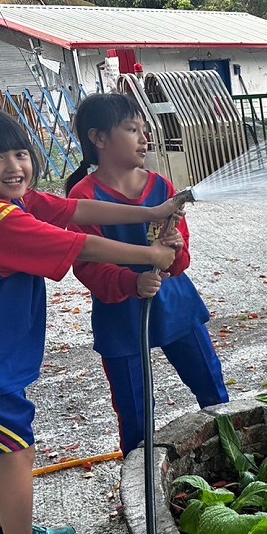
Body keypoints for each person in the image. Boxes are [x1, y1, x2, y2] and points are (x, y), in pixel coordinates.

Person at [0, 107, 188, 534]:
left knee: (2, 451)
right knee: (17, 451)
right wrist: (150, 254)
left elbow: (77, 211)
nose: (13, 166)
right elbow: (80, 244)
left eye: (20, 153)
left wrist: (152, 212)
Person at [65, 93, 228, 457]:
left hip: (175, 304)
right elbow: (87, 265)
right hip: (121, 315)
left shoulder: (161, 186)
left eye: (145, 129)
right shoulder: (83, 198)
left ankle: (231, 458)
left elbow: (179, 255)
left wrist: (175, 249)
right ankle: (142, 493)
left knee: (212, 388)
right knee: (135, 412)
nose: (144, 138)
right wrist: (131, 282)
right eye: (132, 129)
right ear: (99, 138)